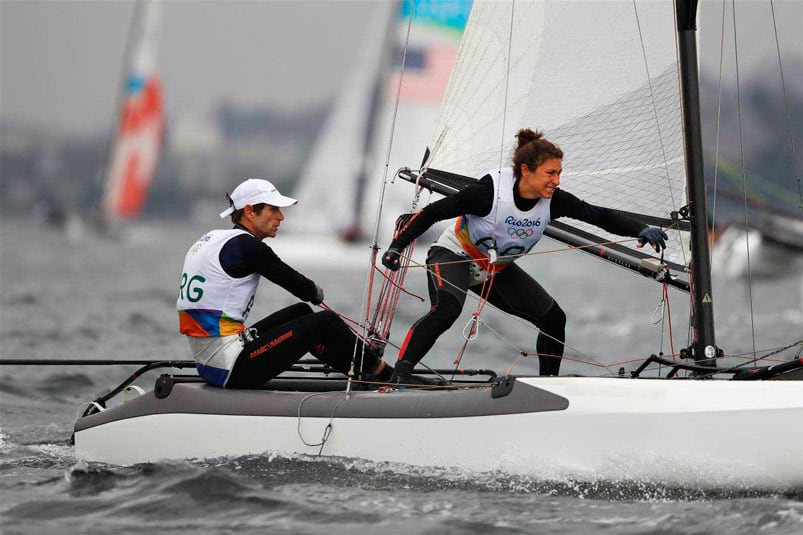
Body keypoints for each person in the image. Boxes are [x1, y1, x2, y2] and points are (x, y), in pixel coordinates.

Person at [381, 129, 668, 382]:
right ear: (526, 170)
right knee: (446, 311)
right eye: (550, 173)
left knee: (554, 319)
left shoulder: (554, 200)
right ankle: (397, 377)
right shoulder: (487, 193)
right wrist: (397, 246)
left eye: (559, 174)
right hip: (455, 254)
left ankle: (549, 385)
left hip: (495, 269)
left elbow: (597, 215)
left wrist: (641, 228)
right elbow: (432, 213)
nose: (556, 180)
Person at [177, 178, 394, 389]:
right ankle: (384, 374)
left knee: (302, 311)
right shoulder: (248, 247)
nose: (281, 217)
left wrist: (309, 294)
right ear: (250, 211)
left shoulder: (213, 238)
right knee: (326, 321)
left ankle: (359, 374)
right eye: (274, 210)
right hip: (232, 368)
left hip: (210, 363)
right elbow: (299, 286)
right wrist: (315, 291)